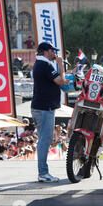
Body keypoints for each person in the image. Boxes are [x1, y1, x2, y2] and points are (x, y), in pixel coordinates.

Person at [31, 42, 68, 183]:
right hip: (44, 108)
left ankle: (43, 172)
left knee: (44, 140)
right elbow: (61, 81)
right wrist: (61, 64)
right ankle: (43, 173)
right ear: (46, 51)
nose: (55, 53)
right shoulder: (44, 64)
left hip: (43, 108)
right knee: (44, 141)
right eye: (53, 51)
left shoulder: (42, 63)